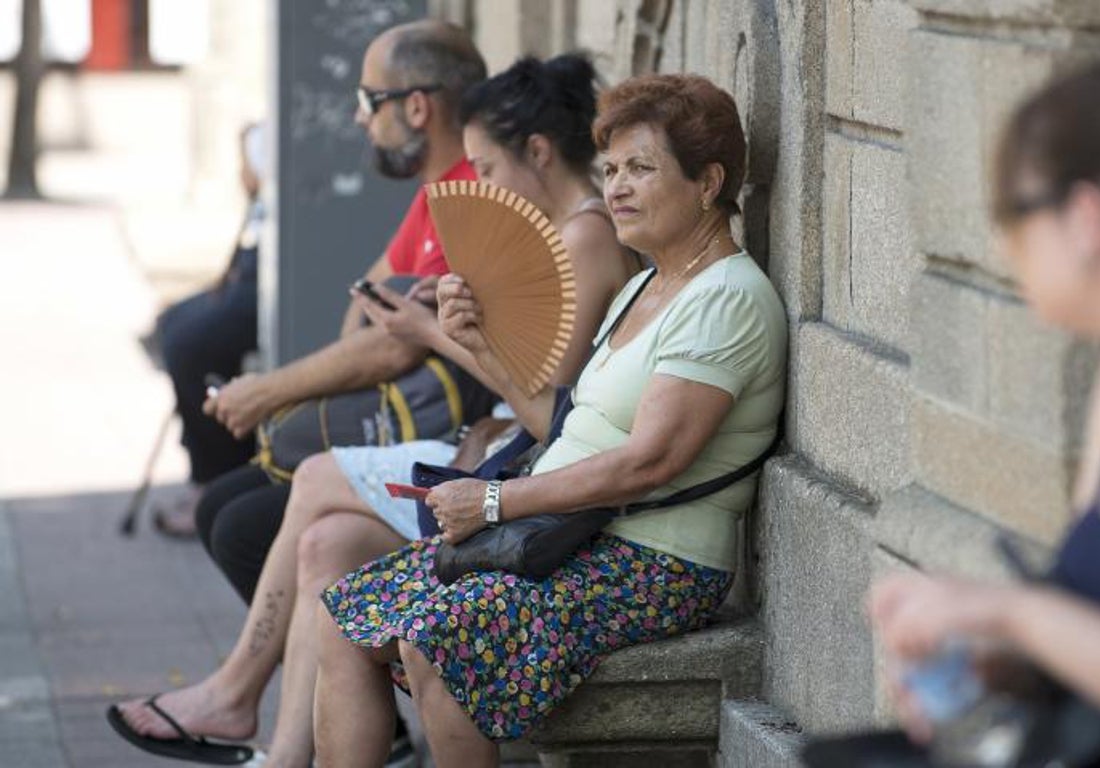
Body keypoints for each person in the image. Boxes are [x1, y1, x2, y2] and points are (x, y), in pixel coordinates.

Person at [108, 53, 636, 768]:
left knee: (322, 475)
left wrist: (436, 336)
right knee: (323, 545)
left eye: (485, 168)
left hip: (531, 480)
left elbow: (552, 408)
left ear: (538, 152)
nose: (480, 185)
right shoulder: (558, 231)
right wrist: (448, 313)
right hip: (502, 457)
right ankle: (288, 752)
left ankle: (236, 692)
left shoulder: (586, 236)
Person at [313, 73, 787, 768]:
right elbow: (567, 424)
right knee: (346, 613)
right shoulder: (644, 286)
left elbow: (650, 461)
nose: (617, 187)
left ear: (708, 181)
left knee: (435, 638)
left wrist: (497, 500)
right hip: (569, 538)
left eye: (642, 169)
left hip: (653, 563)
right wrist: (479, 347)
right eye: (612, 169)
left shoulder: (727, 299)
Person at [869, 51, 1100, 767]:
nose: (1007, 252)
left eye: (1013, 219)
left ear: (1086, 217)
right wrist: (1001, 670)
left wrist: (1018, 614)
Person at [189, 19, 486, 597]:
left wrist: (267, 391)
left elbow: (392, 340)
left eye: (367, 100)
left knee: (238, 526)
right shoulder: (436, 191)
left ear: (418, 108)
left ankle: (337, 678)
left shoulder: (469, 192)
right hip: (407, 423)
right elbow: (365, 309)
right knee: (224, 508)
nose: (358, 117)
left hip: (450, 441)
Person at [145, 121, 267, 537]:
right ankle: (199, 454)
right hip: (247, 283)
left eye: (245, 164)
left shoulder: (272, 193)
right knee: (172, 322)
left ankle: (215, 475)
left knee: (189, 344)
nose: (240, 174)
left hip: (265, 290)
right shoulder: (259, 200)